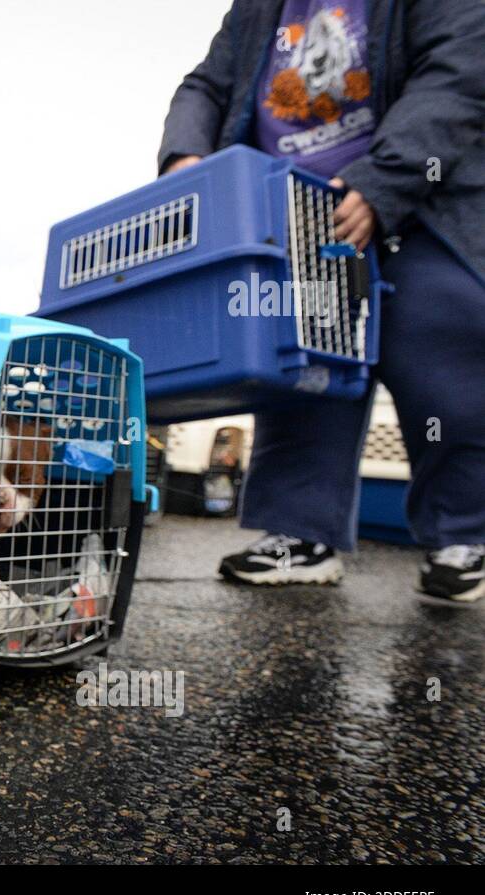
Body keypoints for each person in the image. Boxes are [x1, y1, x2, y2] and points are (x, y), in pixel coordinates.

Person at [159, 0, 485, 602]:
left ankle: (465, 535)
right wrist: (185, 156)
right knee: (306, 369)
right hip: (295, 219)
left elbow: (460, 72)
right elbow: (206, 84)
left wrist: (384, 179)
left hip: (420, 208)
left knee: (444, 369)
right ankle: (299, 535)